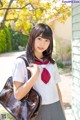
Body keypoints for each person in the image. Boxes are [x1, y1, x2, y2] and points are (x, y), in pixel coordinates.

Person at [12, 23, 66, 120]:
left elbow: (57, 89)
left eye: (46, 40)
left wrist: (62, 113)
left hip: (56, 108)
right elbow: (17, 95)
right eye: (39, 38)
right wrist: (34, 77)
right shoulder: (22, 62)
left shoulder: (52, 63)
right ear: (32, 38)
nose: (42, 44)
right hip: (36, 111)